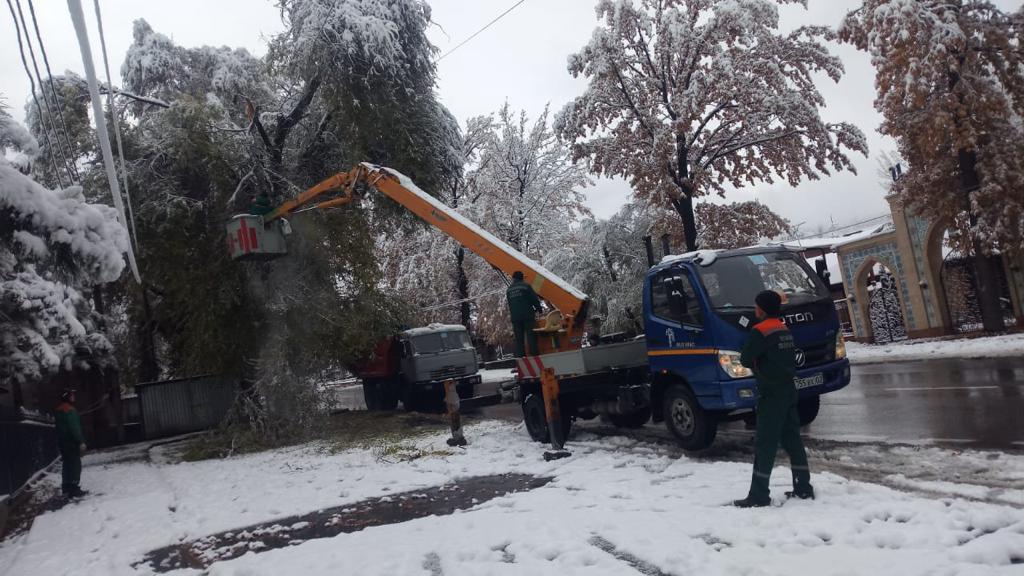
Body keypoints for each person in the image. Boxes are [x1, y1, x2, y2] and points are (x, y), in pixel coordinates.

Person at [734, 290, 814, 508]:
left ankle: (759, 495)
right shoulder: (783, 328)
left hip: (771, 393)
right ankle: (803, 487)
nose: (754, 308)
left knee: (765, 444)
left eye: (756, 305)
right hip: (789, 390)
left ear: (762, 308)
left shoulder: (760, 331)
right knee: (793, 440)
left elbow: (746, 358)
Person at [55, 388, 88, 498]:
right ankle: (74, 488)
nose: (74, 397)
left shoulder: (59, 410)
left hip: (63, 443)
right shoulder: (70, 410)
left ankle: (66, 486)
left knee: (67, 465)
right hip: (72, 443)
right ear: (67, 397)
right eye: (72, 395)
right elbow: (74, 428)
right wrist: (80, 441)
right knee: (75, 465)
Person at [506, 271, 543, 357]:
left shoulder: (509, 290)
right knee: (531, 336)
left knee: (519, 339)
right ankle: (534, 355)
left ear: (513, 278)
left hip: (515, 318)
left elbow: (510, 304)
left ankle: (521, 357)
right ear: (522, 278)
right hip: (527, 316)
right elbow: (534, 299)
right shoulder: (526, 286)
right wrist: (539, 309)